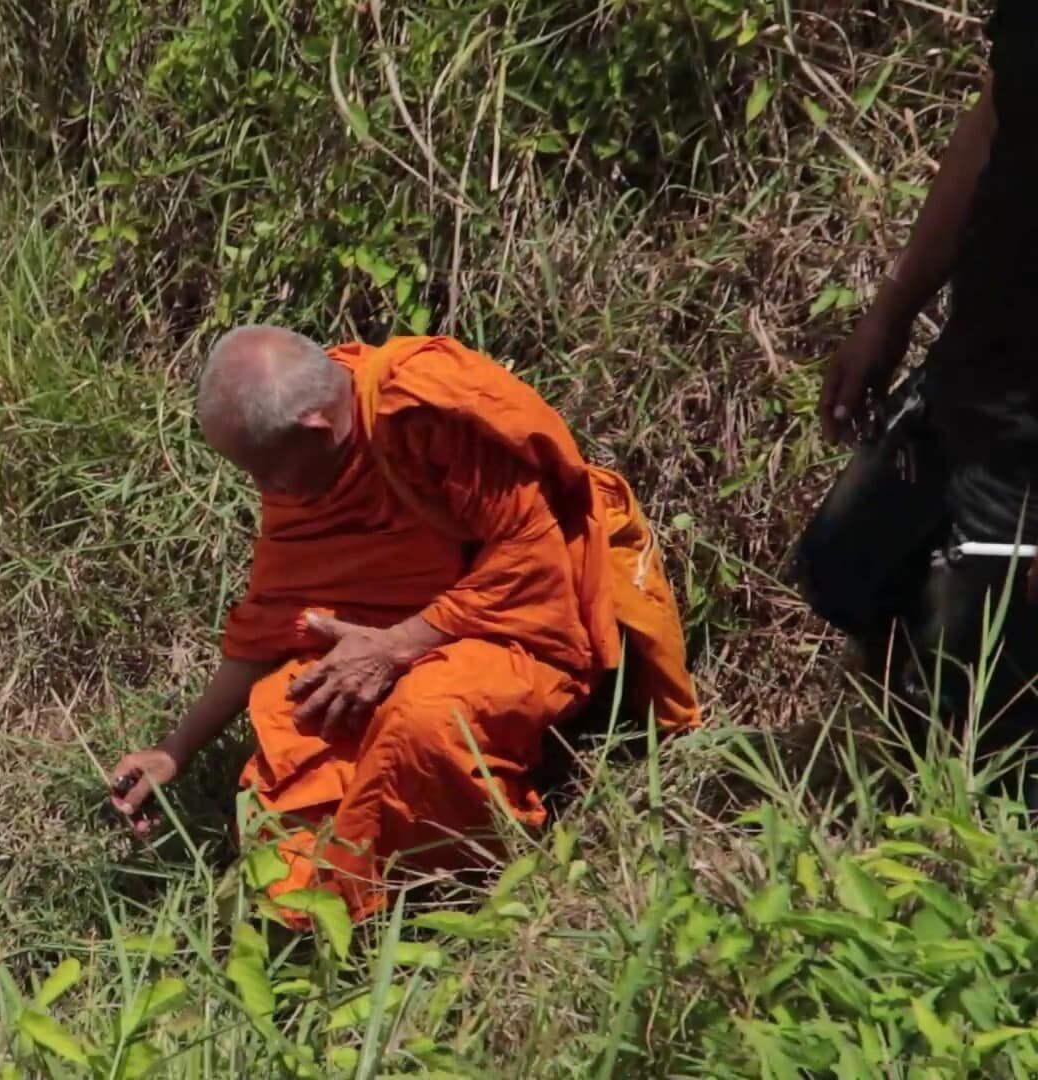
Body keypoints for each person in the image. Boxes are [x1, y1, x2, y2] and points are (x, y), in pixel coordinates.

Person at [107, 326, 698, 920]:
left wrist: (397, 648)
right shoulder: (305, 460)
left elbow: (531, 560)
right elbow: (275, 614)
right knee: (300, 713)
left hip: (520, 624)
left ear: (317, 428)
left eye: (265, 471)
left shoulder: (424, 413)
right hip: (391, 632)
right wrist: (175, 750)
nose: (263, 490)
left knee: (425, 718)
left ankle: (452, 883)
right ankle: (306, 910)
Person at [818, 7, 1036, 743]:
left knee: (988, 727)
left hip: (1028, 461)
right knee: (845, 569)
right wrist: (891, 312)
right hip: (977, 370)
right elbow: (999, 112)